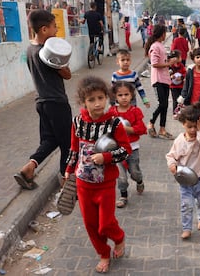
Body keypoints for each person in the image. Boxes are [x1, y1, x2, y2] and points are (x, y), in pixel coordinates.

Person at [64, 76, 131, 273]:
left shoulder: (114, 124)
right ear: (83, 102)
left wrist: (107, 157)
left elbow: (126, 150)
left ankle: (119, 238)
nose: (97, 103)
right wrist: (68, 171)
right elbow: (74, 149)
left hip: (106, 184)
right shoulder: (77, 122)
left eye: (101, 98)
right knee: (91, 225)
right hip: (83, 185)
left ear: (107, 98)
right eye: (91, 100)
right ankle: (103, 253)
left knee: (106, 224)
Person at [14, 9, 72, 190]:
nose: (56, 31)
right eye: (54, 27)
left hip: (41, 102)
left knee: (50, 140)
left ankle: (28, 168)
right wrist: (61, 61)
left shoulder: (30, 50)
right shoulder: (48, 52)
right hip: (57, 102)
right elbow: (67, 74)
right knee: (67, 144)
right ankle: (66, 182)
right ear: (44, 29)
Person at [166, 102, 200, 239]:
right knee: (186, 204)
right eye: (190, 127)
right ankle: (187, 227)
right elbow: (171, 156)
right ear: (183, 124)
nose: (193, 130)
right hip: (185, 181)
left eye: (196, 126)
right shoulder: (179, 141)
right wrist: (172, 164)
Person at [110, 82, 147, 208]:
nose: (124, 97)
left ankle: (139, 181)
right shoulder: (111, 112)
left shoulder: (135, 111)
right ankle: (123, 195)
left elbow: (141, 128)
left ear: (132, 95)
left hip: (133, 148)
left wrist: (127, 129)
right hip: (117, 148)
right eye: (120, 95)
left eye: (126, 94)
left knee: (134, 172)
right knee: (120, 175)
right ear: (115, 96)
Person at [145, 24, 178, 139]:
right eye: (164, 32)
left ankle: (162, 129)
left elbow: (162, 61)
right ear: (162, 34)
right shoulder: (155, 46)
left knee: (165, 105)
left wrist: (170, 63)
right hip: (158, 79)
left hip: (165, 79)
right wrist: (168, 63)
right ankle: (151, 122)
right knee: (162, 104)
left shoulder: (161, 46)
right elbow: (154, 63)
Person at [169, 50, 187, 119]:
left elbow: (185, 73)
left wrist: (181, 77)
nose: (181, 58)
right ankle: (175, 113)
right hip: (173, 86)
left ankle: (180, 112)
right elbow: (168, 73)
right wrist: (172, 76)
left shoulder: (181, 65)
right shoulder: (171, 66)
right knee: (175, 100)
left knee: (181, 99)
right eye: (179, 57)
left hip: (181, 85)